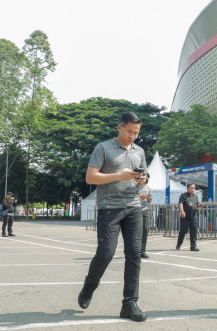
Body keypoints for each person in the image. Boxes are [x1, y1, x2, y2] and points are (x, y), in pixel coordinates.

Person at [77, 112, 148, 322]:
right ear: (119, 127)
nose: (132, 136)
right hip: (109, 207)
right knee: (106, 254)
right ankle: (89, 287)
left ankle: (130, 303)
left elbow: (142, 180)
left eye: (136, 133)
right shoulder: (103, 147)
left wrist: (142, 180)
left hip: (134, 206)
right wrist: (118, 175)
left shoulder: (139, 151)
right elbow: (90, 177)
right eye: (129, 131)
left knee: (134, 255)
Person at [176, 184, 204, 251]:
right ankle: (179, 244)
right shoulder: (183, 196)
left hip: (194, 217)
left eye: (193, 188)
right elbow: (181, 204)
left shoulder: (195, 196)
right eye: (191, 188)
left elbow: (196, 205)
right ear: (187, 188)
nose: (192, 189)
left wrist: (200, 205)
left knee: (194, 232)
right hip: (185, 217)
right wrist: (182, 211)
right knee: (183, 231)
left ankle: (193, 246)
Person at [138, 172, 152, 258]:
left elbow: (149, 202)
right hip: (135, 210)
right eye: (142, 176)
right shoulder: (134, 187)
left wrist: (149, 198)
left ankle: (142, 251)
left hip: (145, 210)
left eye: (145, 177)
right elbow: (130, 197)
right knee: (135, 232)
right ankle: (135, 251)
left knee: (145, 230)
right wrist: (140, 196)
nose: (143, 178)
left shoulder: (148, 188)